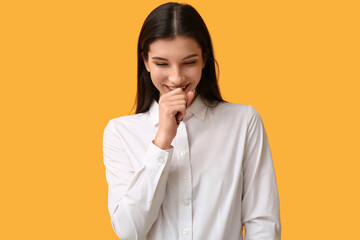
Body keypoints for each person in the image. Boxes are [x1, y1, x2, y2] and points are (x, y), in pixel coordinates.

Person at [103, 2, 281, 240]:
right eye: (161, 63)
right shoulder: (120, 132)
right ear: (145, 61)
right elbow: (128, 230)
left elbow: (263, 222)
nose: (176, 77)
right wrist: (162, 141)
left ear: (204, 59)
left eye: (189, 62)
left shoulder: (244, 121)